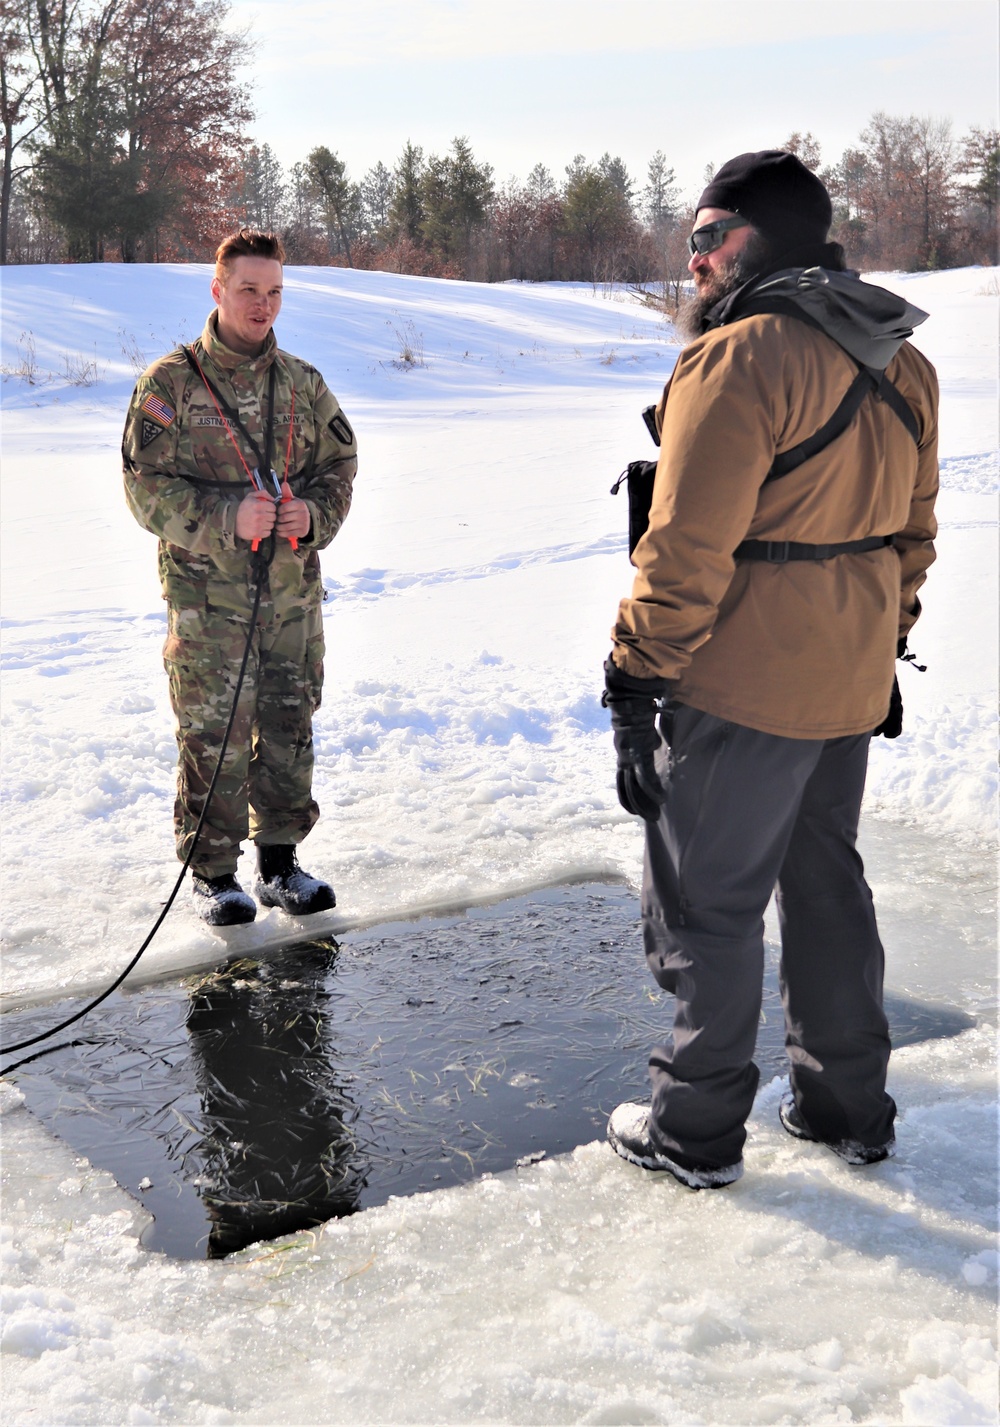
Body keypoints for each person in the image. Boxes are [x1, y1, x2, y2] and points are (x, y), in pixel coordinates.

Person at [603, 151, 939, 1188]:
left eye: (707, 235)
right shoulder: (903, 361)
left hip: (740, 685)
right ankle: (846, 1107)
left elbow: (684, 550)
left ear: (756, 237)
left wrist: (634, 674)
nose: (692, 256)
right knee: (825, 886)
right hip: (846, 681)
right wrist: (880, 642)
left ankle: (693, 1130)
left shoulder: (738, 358)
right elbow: (912, 539)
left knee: (707, 905)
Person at [123, 229, 358, 926]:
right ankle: (213, 872)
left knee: (289, 719)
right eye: (250, 290)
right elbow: (145, 489)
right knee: (215, 731)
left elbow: (339, 469)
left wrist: (308, 514)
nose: (263, 306)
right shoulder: (169, 384)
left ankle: (280, 864)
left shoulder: (303, 384)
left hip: (289, 596)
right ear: (218, 289)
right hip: (208, 604)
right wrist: (231, 515)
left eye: (275, 291)